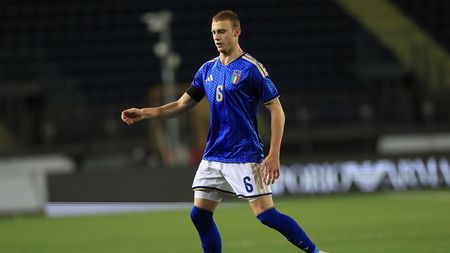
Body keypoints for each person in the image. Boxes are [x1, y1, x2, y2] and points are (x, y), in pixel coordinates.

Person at [121, 10, 327, 253]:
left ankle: (315, 251)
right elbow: (180, 105)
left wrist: (273, 154)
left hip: (244, 154)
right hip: (213, 155)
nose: (216, 37)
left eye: (221, 31)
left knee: (266, 215)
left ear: (236, 32)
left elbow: (277, 111)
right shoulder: (207, 69)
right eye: (213, 33)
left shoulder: (252, 69)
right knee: (199, 216)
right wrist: (144, 112)